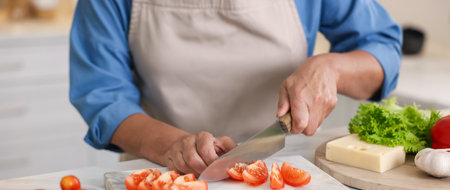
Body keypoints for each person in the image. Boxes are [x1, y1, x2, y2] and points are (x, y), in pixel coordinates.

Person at [69, 0, 402, 176]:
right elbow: (103, 94)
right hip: (160, 170)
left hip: (283, 170)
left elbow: (382, 50)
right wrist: (171, 146)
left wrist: (331, 68)